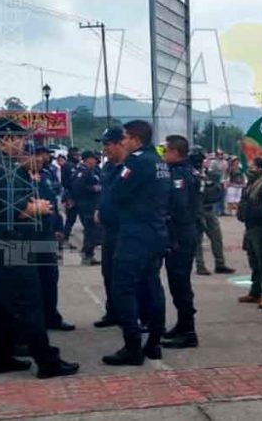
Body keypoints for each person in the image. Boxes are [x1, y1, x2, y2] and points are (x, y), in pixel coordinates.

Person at [0, 118, 78, 379]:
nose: (23, 145)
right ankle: (47, 361)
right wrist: (37, 208)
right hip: (11, 241)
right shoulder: (2, 168)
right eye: (20, 139)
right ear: (6, 139)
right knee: (29, 301)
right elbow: (13, 209)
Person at [102, 120, 169, 366]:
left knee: (123, 288)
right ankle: (154, 343)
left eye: (126, 138)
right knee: (153, 287)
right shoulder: (159, 161)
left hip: (135, 234)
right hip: (156, 232)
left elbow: (116, 194)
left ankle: (132, 347)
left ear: (135, 139)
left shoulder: (137, 162)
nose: (124, 142)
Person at [26, 147, 74, 333]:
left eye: (41, 156)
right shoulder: (19, 179)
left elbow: (53, 202)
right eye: (35, 156)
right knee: (32, 282)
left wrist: (59, 228)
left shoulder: (46, 175)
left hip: (47, 233)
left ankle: (51, 316)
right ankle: (34, 322)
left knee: (49, 278)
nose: (39, 159)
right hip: (30, 235)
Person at [160, 135, 201, 349]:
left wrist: (173, 236)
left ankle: (188, 331)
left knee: (180, 282)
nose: (164, 154)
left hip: (181, 234)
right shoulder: (186, 170)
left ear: (176, 152)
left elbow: (180, 208)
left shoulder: (180, 174)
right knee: (178, 283)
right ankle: (182, 324)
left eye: (166, 150)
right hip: (183, 232)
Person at [94, 128, 125, 328]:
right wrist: (99, 209)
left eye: (107, 144)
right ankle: (112, 311)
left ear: (119, 143)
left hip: (125, 229)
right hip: (109, 230)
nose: (104, 149)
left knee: (125, 276)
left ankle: (130, 315)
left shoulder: (130, 168)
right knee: (109, 272)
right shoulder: (107, 168)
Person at [237, 157, 262, 309]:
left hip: (261, 229)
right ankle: (255, 292)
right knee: (254, 262)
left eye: (252, 166)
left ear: (260, 169)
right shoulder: (250, 185)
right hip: (250, 227)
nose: (249, 169)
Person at [194, 161, 235, 275]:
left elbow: (215, 193)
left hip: (207, 209)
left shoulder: (205, 175)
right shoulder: (194, 175)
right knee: (198, 240)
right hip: (199, 210)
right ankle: (200, 265)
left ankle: (219, 263)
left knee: (216, 238)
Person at [71, 151, 102, 266]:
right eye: (93, 159)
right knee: (91, 230)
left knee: (92, 230)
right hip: (87, 204)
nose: (95, 161)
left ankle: (88, 254)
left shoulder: (91, 170)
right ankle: (87, 255)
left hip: (91, 204)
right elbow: (78, 187)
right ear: (87, 159)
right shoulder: (83, 171)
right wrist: (94, 189)